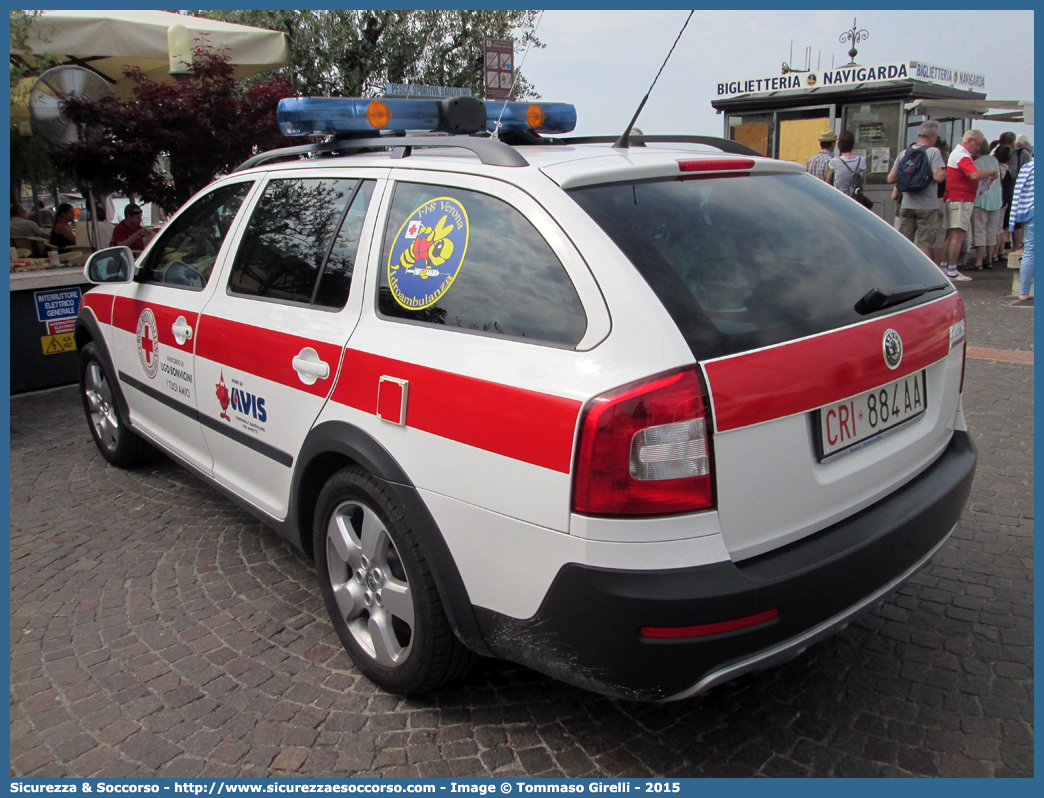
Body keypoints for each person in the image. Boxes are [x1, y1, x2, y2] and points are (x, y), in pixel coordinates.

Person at [941, 129, 999, 282]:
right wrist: (991, 172)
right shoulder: (963, 155)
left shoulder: (957, 154)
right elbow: (973, 174)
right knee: (957, 236)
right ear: (970, 141)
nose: (978, 148)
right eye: (978, 144)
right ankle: (952, 270)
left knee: (952, 235)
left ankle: (944, 266)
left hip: (955, 198)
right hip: (960, 199)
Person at [887, 120, 946, 258]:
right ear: (932, 135)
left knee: (905, 243)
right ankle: (923, 275)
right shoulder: (933, 152)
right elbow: (938, 177)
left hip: (907, 205)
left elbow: (891, 178)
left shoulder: (904, 153)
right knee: (925, 244)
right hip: (927, 206)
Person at [969, 139, 1003, 270]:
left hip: (980, 200)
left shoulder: (975, 163)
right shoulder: (994, 160)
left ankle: (978, 261)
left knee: (979, 230)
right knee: (991, 230)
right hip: (996, 200)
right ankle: (989, 259)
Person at [1009, 159, 1034, 302]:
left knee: (1030, 251)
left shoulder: (1027, 167)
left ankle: (1024, 292)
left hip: (1031, 212)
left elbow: (1018, 193)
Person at [826, 130, 866, 196]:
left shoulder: (834, 162)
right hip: (855, 200)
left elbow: (828, 183)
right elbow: (863, 183)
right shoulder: (861, 160)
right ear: (852, 144)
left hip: (839, 199)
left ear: (839, 145)